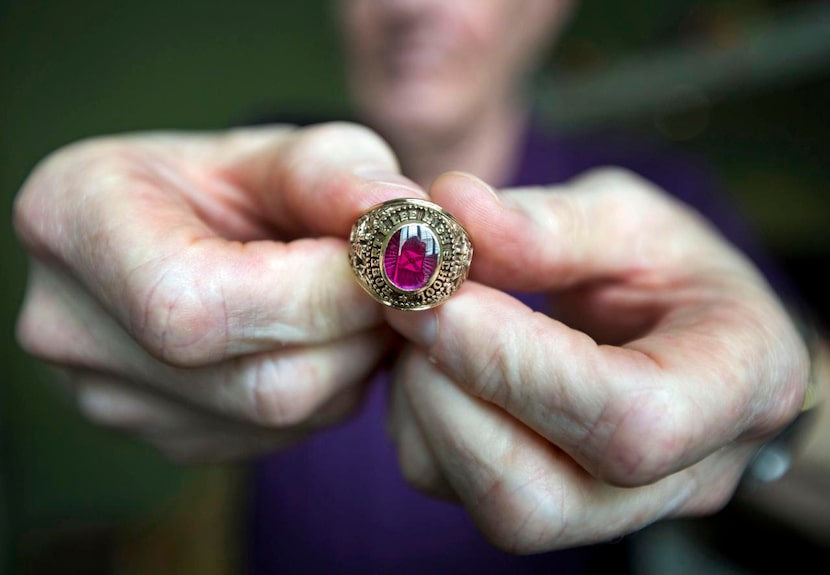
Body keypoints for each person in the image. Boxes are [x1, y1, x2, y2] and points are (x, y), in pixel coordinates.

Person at [11, 0, 826, 573]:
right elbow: (123, 308)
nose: (409, 4)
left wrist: (773, 412)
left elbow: (795, 419)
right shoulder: (258, 166)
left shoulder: (661, 193)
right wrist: (104, 316)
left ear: (543, 8)